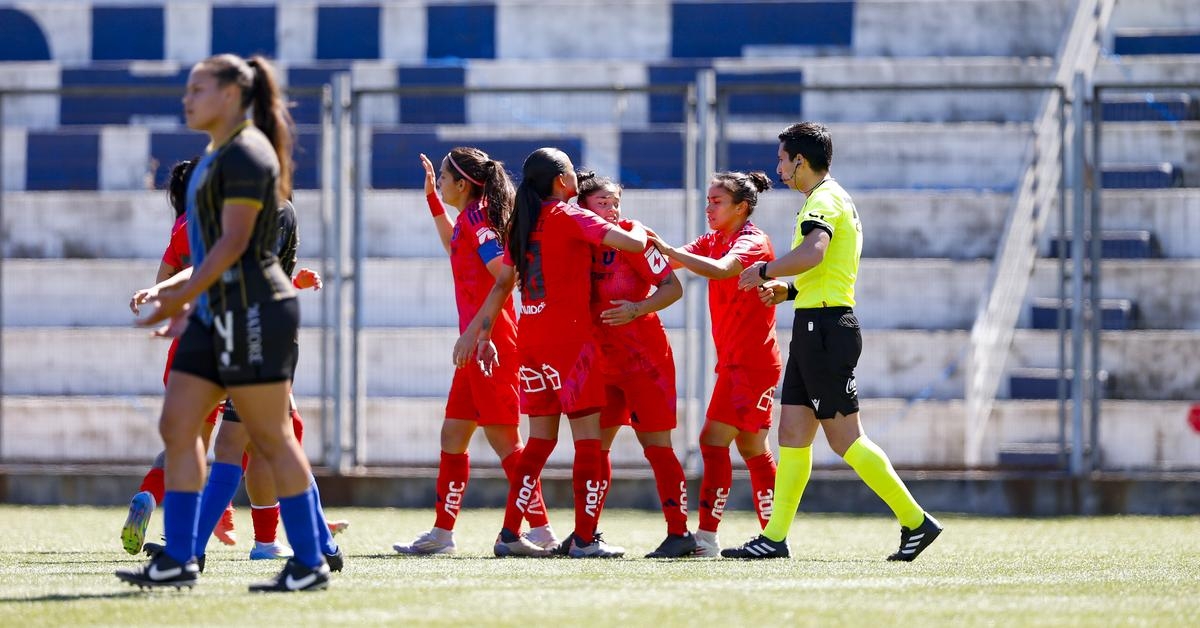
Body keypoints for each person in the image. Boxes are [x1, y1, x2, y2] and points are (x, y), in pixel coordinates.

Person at [115, 53, 328, 592]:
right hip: (217, 312)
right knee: (178, 427)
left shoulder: (249, 155)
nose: (187, 99)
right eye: (187, 89)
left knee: (273, 439)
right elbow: (209, 251)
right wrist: (186, 303)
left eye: (198, 89)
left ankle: (309, 560)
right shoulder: (213, 158)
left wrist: (178, 297)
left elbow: (234, 244)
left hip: (256, 312)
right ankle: (180, 557)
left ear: (231, 95)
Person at [726, 121, 942, 561]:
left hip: (826, 330)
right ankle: (774, 537)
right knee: (791, 433)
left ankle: (916, 521)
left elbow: (815, 253)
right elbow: (824, 273)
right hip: (814, 325)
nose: (779, 167)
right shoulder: (828, 197)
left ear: (800, 161)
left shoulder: (822, 201)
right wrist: (789, 291)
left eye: (783, 159)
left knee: (845, 440)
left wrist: (766, 271)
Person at [456, 147, 648, 558]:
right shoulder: (569, 214)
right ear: (562, 182)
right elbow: (631, 242)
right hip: (571, 342)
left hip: (532, 340)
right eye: (572, 173)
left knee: (540, 441)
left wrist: (482, 332)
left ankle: (509, 533)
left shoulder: (521, 221)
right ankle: (583, 538)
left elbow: (503, 283)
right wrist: (645, 233)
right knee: (589, 443)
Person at [392, 148, 558, 555]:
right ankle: (443, 534)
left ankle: (540, 529)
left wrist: (478, 333)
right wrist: (432, 199)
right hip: (479, 342)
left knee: (505, 442)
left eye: (445, 179)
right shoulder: (471, 218)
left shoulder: (479, 218)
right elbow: (456, 244)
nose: (443, 183)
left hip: (491, 344)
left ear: (463, 183)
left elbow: (504, 271)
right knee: (453, 435)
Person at [646, 171, 781, 558]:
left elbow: (722, 269)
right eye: (708, 200)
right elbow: (675, 261)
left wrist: (669, 252)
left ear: (741, 207)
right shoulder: (715, 238)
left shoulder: (752, 241)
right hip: (740, 363)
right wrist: (634, 245)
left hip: (750, 365)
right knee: (754, 448)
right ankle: (774, 534)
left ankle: (706, 538)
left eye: (717, 202)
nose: (709, 208)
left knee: (712, 441)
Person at [575, 171, 695, 558]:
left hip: (646, 362)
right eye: (602, 203)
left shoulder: (633, 237)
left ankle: (680, 534)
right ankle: (586, 533)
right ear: (582, 207)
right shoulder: (575, 239)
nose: (611, 210)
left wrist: (637, 309)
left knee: (657, 448)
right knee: (595, 449)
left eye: (615, 202)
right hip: (600, 361)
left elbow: (673, 287)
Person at [121, 159, 238, 555]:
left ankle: (150, 496)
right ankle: (284, 538)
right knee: (260, 439)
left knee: (185, 444)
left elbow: (164, 283)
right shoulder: (234, 222)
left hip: (184, 346)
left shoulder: (183, 227)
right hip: (229, 342)